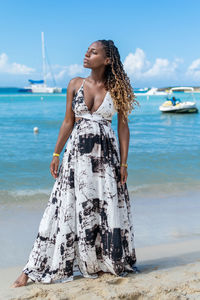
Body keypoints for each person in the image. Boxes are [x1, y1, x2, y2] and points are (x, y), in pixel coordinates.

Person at [12, 39, 139, 288]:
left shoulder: (118, 89)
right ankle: (32, 268)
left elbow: (123, 127)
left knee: (104, 208)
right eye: (87, 51)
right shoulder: (75, 84)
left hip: (106, 160)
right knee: (62, 207)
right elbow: (68, 122)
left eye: (93, 52)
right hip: (76, 158)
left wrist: (124, 164)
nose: (86, 54)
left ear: (107, 60)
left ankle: (102, 262)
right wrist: (56, 154)